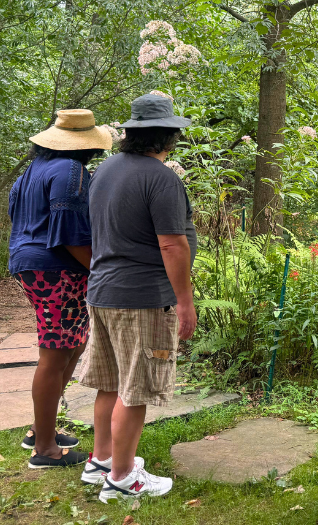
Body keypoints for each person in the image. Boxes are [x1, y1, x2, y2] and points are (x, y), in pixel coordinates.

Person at [77, 94, 197, 502]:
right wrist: (185, 301)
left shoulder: (106, 170)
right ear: (169, 136)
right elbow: (172, 245)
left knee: (110, 383)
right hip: (143, 297)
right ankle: (124, 478)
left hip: (103, 291)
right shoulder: (161, 178)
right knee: (137, 388)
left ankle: (101, 461)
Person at [7, 109, 112, 468]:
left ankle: (41, 429)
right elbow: (68, 231)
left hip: (29, 261)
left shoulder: (34, 169)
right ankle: (45, 450)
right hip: (56, 268)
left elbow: (16, 212)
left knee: (74, 342)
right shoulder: (71, 171)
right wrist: (100, 268)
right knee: (55, 352)